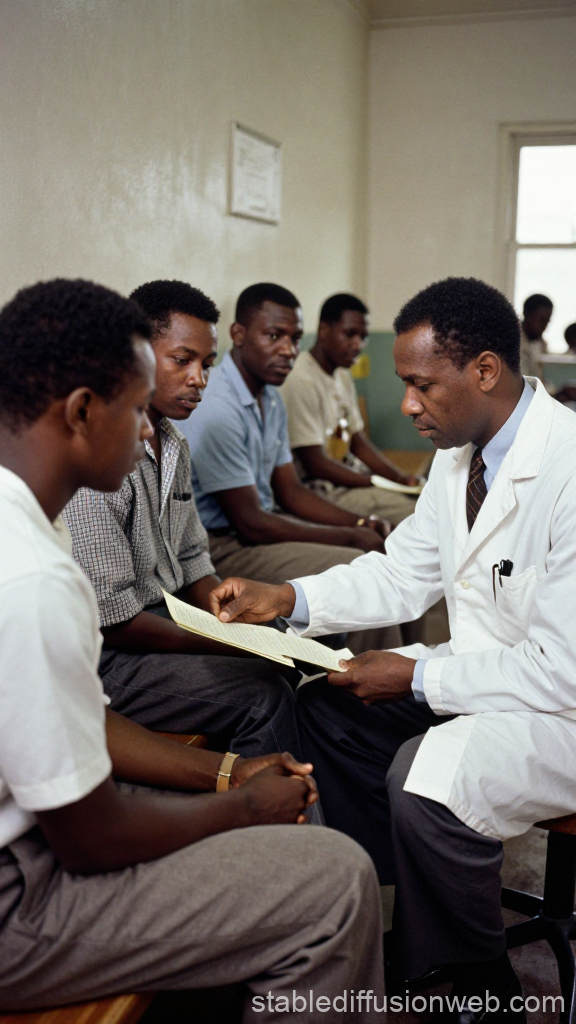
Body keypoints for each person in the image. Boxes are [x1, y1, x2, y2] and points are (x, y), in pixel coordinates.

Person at [0, 278, 384, 1019]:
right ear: (81, 412)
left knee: (254, 819)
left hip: (39, 835)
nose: (147, 434)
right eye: (134, 410)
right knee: (335, 879)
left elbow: (86, 723)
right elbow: (91, 837)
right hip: (21, 898)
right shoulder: (33, 577)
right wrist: (242, 806)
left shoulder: (27, 522)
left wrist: (229, 771)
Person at [208, 276, 576, 1021]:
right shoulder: (461, 455)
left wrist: (416, 676)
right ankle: (364, 899)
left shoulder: (567, 467)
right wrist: (290, 599)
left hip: (559, 710)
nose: (406, 404)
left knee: (423, 777)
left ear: (484, 371)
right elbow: (403, 574)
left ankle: (474, 985)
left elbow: (560, 672)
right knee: (325, 712)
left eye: (421, 385)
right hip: (492, 687)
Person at [62, 280, 302, 758]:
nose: (199, 379)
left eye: (207, 364)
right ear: (135, 354)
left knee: (285, 644)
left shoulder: (173, 442)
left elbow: (192, 561)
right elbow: (116, 622)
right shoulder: (100, 456)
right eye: (182, 360)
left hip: (164, 624)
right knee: (263, 693)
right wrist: (228, 642)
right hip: (109, 657)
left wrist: (228, 613)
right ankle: (260, 800)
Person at [185, 281, 401, 654]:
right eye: (274, 336)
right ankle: (367, 681)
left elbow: (291, 491)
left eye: (295, 338)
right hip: (222, 546)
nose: (288, 350)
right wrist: (349, 537)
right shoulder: (218, 405)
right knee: (362, 568)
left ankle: (404, 666)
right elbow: (251, 523)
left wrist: (359, 523)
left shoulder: (270, 397)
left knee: (383, 554)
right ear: (238, 334)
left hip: (261, 527)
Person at [281, 292, 420, 526]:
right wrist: (374, 481)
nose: (358, 345)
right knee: (416, 515)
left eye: (363, 337)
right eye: (350, 334)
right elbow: (316, 464)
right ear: (324, 330)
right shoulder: (300, 379)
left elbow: (357, 441)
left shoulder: (342, 374)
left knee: (423, 501)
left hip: (352, 480)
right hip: (325, 491)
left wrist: (398, 477)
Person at [519, 292, 552, 380]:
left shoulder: (541, 345)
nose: (544, 326)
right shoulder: (511, 341)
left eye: (547, 321)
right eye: (541, 320)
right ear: (526, 314)